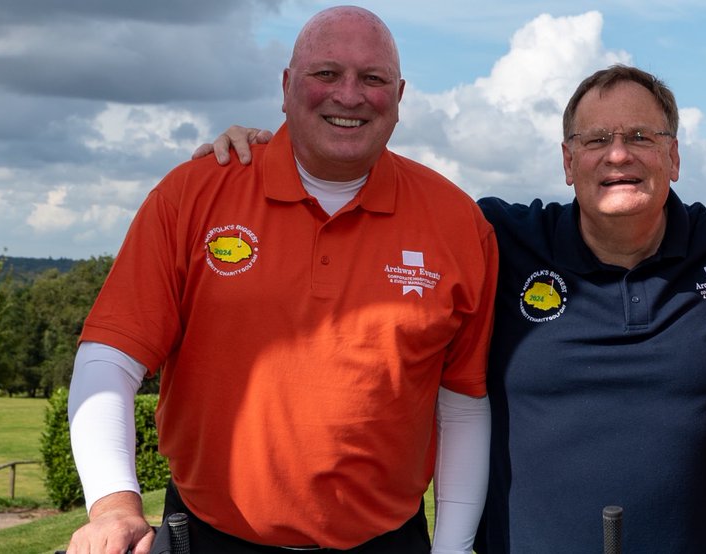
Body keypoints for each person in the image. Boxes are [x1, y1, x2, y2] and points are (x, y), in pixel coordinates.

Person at [201, 65, 706, 552]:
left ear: (675, 152)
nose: (618, 156)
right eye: (595, 141)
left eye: (640, 137)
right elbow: (367, 183)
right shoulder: (495, 235)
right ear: (566, 162)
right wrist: (276, 149)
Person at [65, 7, 497, 554]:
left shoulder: (457, 221)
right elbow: (109, 356)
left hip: (386, 542)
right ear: (287, 86)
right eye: (325, 73)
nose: (348, 95)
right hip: (207, 538)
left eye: (373, 78)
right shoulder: (195, 192)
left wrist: (453, 549)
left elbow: (461, 405)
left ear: (400, 95)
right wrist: (114, 506)